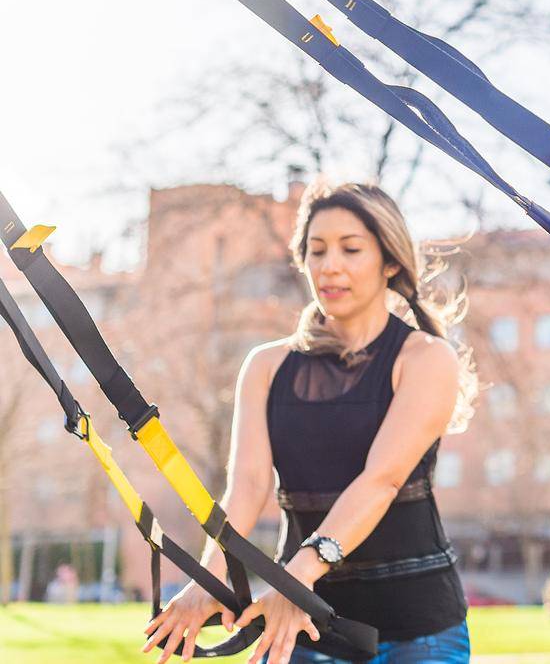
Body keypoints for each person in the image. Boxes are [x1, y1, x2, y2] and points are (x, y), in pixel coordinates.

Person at [144, 182, 478, 664]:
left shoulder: (425, 359)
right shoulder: (265, 366)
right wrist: (208, 579)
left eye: (351, 248)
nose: (329, 265)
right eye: (316, 250)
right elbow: (247, 488)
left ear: (390, 261)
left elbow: (381, 480)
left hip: (419, 628)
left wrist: (296, 577)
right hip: (300, 626)